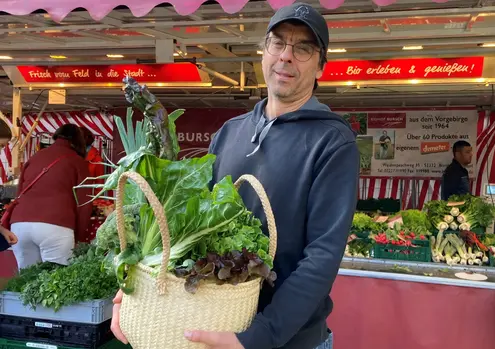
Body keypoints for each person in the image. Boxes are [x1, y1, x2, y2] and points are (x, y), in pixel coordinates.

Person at [110, 3, 359, 349]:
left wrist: (259, 337)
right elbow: (189, 231)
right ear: (264, 52)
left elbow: (322, 256)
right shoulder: (229, 133)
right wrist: (136, 287)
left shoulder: (333, 142)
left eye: (303, 48)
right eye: (278, 42)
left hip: (287, 341)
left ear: (320, 66)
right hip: (214, 324)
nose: (286, 56)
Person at [9, 124, 92, 269]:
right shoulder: (78, 162)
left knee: (26, 280)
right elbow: (85, 203)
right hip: (56, 225)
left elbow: (19, 193)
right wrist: (79, 236)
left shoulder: (35, 157)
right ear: (79, 141)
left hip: (19, 225)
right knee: (55, 281)